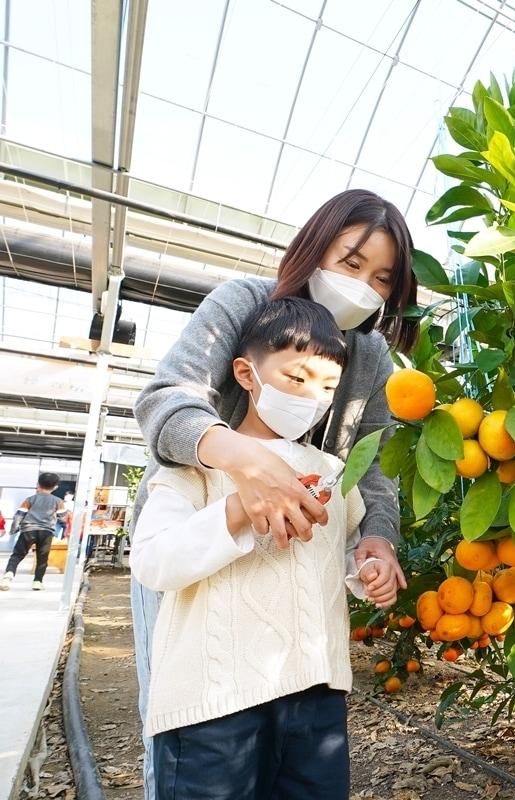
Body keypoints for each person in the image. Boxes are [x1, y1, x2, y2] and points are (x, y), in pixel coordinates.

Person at [131, 189, 418, 796]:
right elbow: (165, 400)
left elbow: (375, 471)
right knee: (202, 693)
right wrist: (243, 464)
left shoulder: (368, 355)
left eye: (382, 279)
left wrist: (377, 543)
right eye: (351, 262)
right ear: (314, 248)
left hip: (301, 581)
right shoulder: (244, 303)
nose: (362, 285)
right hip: (201, 541)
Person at [0, 473, 67, 590]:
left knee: (17, 555)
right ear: (55, 487)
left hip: (28, 530)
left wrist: (14, 529)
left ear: (38, 485)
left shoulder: (30, 499)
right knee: (42, 557)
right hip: (46, 532)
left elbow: (19, 515)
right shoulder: (58, 501)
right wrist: (65, 529)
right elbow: (63, 517)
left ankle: (8, 575)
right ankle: (37, 582)